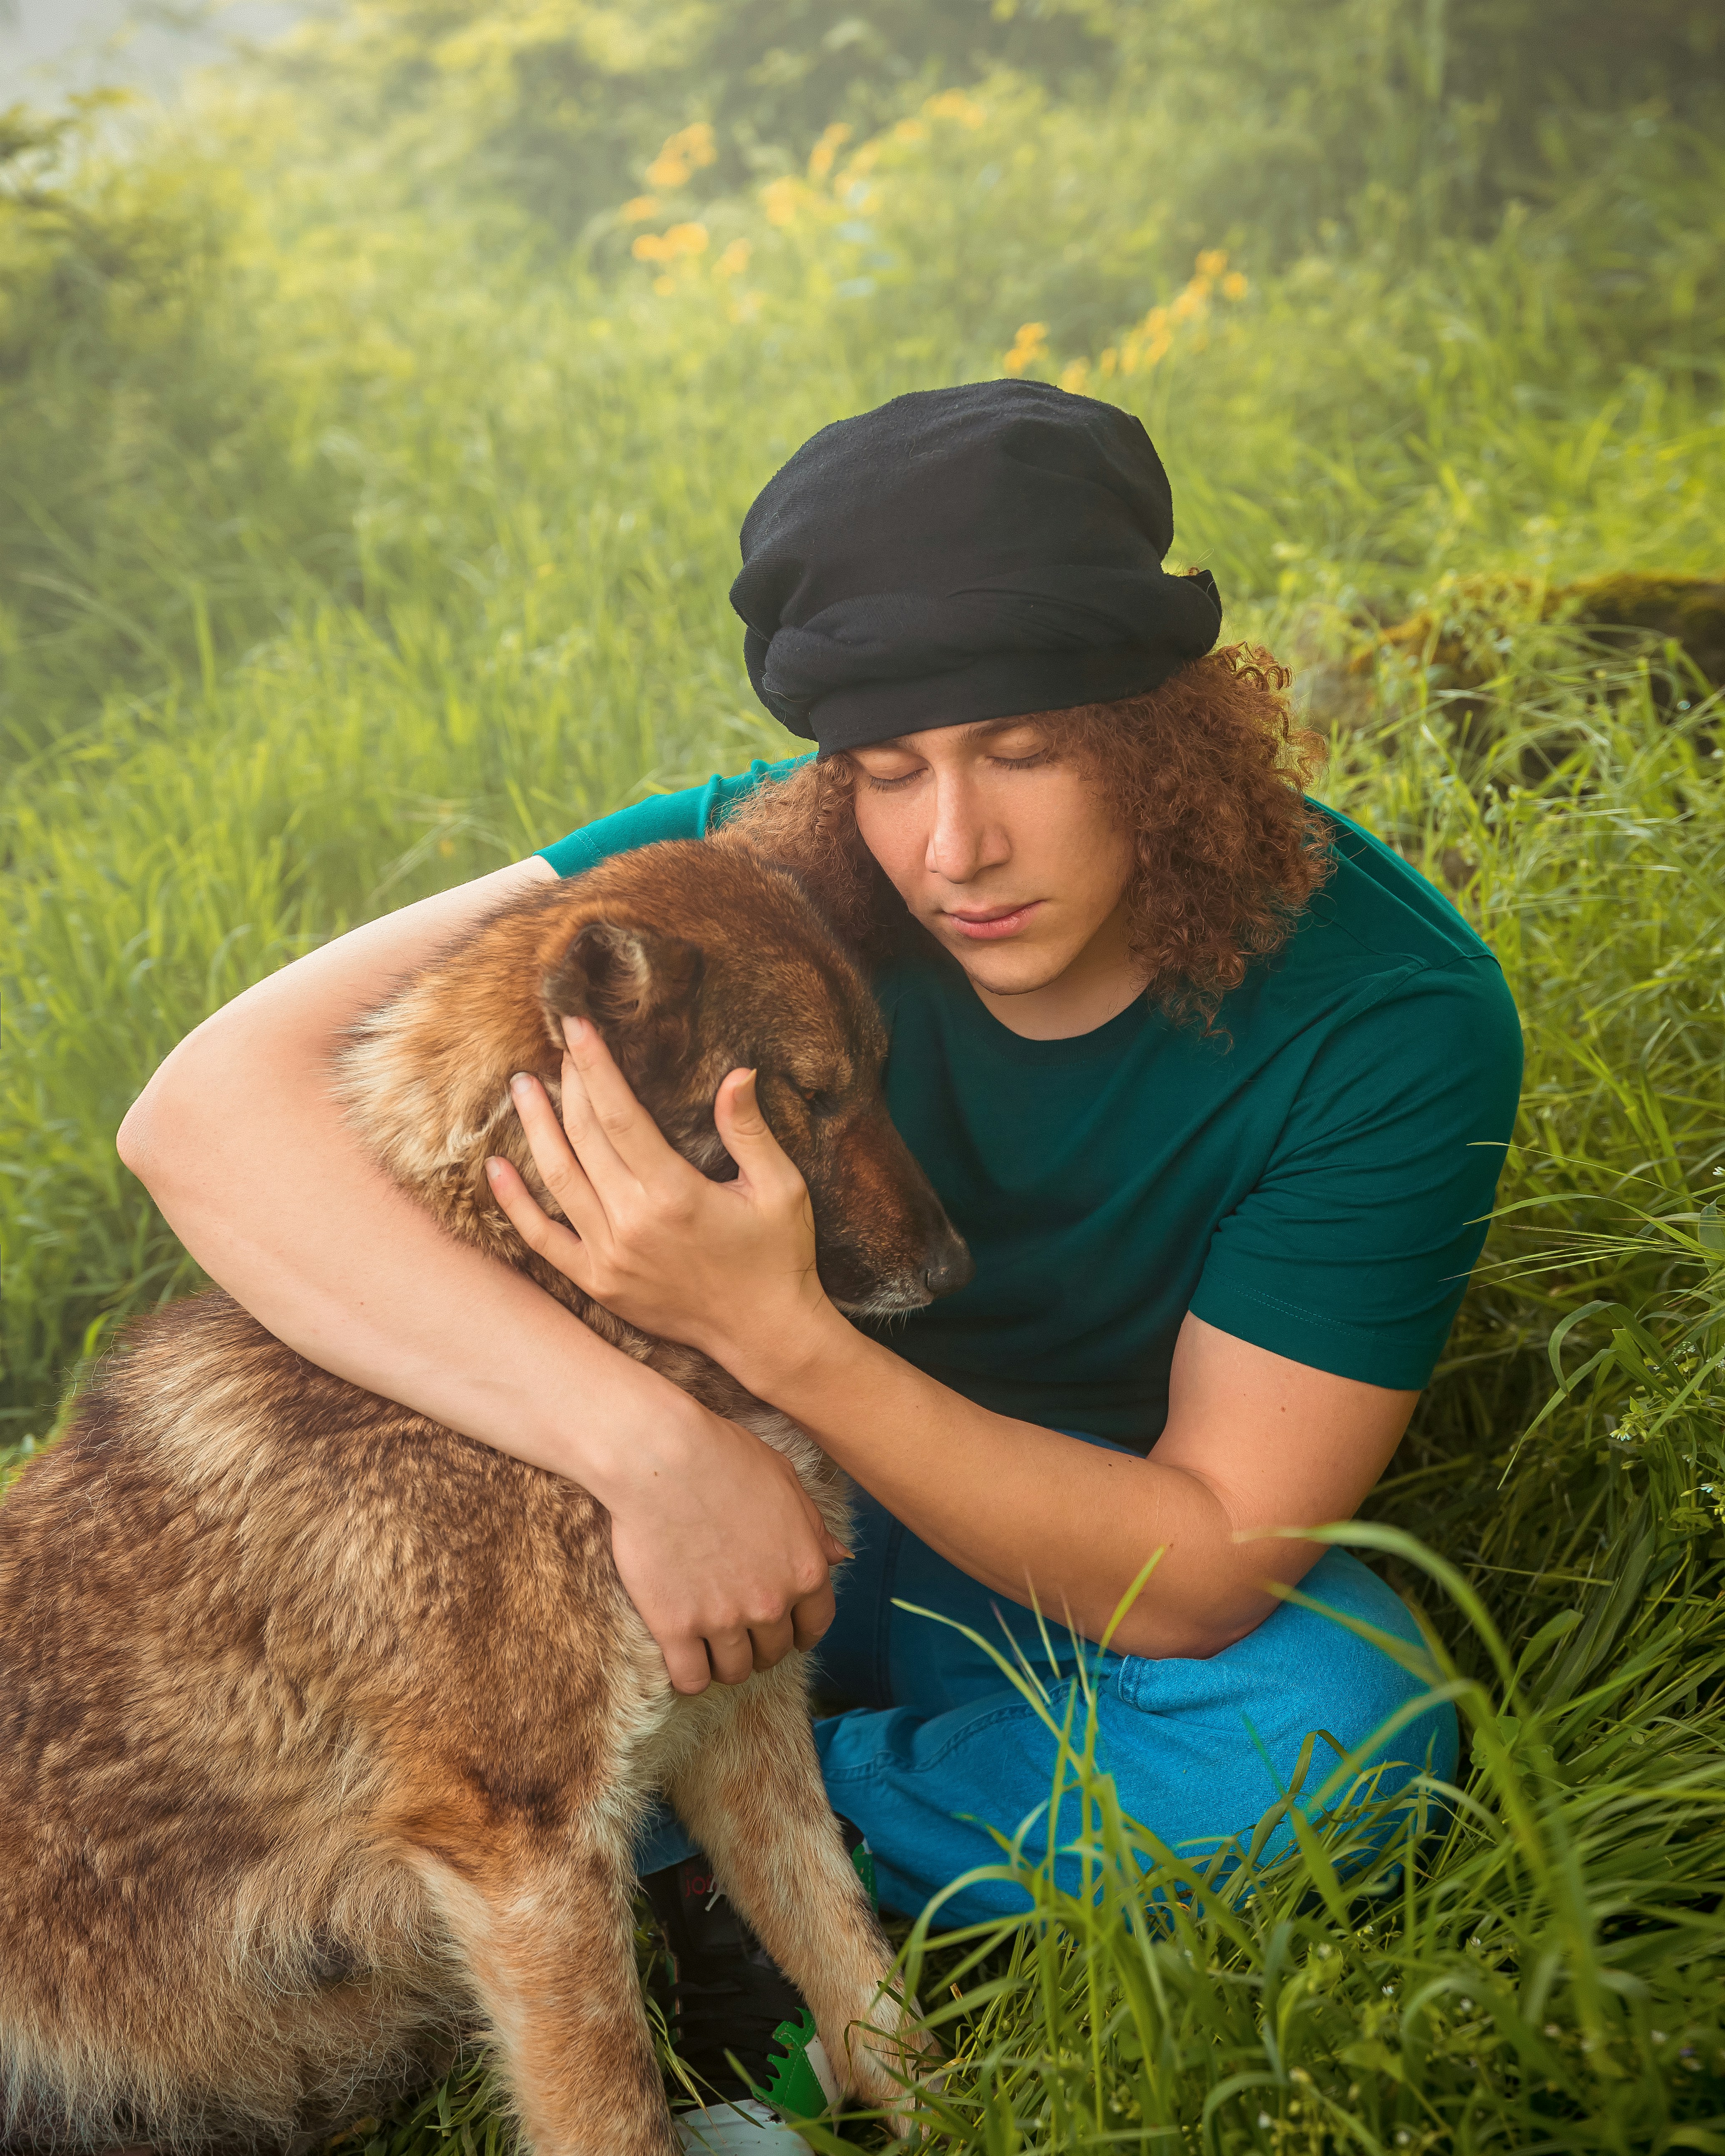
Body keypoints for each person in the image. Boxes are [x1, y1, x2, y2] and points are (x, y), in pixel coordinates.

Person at [120, 380, 1521, 2153]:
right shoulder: (761, 870)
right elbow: (204, 1111)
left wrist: (777, 1345)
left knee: (1334, 1728)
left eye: (1020, 749)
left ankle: (682, 1860)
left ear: (1167, 734)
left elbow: (1200, 1570)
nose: (950, 851)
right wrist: (657, 1446)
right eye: (883, 771)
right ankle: (562, 1841)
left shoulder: (1389, 1017)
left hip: (1044, 1557)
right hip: (656, 1518)